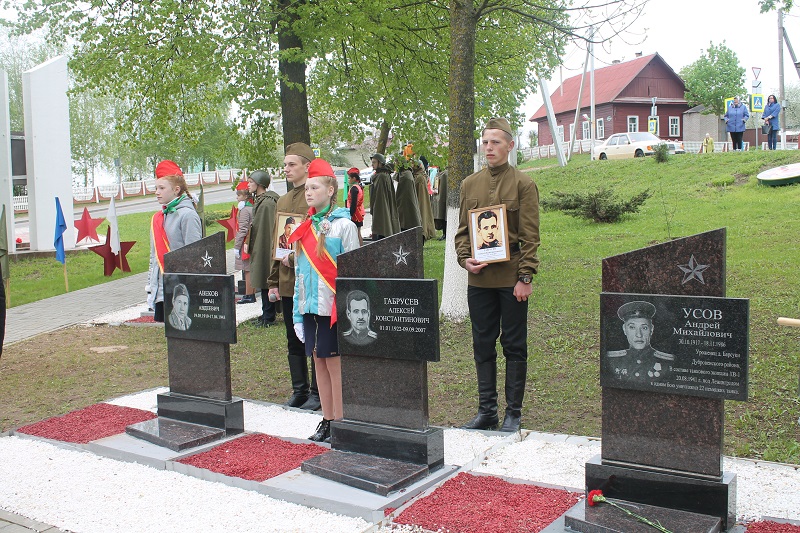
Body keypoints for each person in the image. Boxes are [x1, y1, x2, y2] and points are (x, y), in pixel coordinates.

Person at [455, 117, 540, 433]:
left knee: (515, 344)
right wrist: (465, 260)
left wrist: (526, 277)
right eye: (485, 142)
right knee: (482, 343)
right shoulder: (469, 184)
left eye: (495, 142)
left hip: (511, 279)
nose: (489, 147)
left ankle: (513, 414)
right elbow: (463, 231)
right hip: (479, 280)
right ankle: (486, 411)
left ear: (510, 145)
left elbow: (531, 236)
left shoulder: (523, 184)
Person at [288, 158, 360, 442]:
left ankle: (342, 421)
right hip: (310, 307)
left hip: (333, 308)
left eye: (314, 187)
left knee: (335, 364)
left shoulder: (344, 226)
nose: (308, 192)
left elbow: (354, 274)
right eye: (306, 187)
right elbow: (299, 277)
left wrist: (345, 310)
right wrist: (296, 314)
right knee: (318, 362)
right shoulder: (304, 229)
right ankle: (327, 419)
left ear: (330, 190)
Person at [268, 142, 320, 410]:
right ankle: (299, 389)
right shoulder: (284, 200)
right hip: (289, 280)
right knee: (293, 336)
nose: (286, 169)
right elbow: (277, 244)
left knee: (312, 336)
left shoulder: (317, 195)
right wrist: (273, 281)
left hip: (310, 279)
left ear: (307, 167)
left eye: (292, 164)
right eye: (285, 164)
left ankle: (317, 392)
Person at [147, 160, 203, 322]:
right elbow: (155, 255)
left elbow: (194, 254)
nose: (157, 192)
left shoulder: (187, 215)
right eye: (156, 188)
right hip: (163, 284)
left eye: (162, 188)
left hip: (180, 284)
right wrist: (151, 285)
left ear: (176, 190)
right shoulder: (160, 217)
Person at [605, 301, 674, 383]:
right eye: (632, 327)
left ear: (651, 329)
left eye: (644, 328)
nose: (639, 335)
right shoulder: (612, 360)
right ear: (624, 329)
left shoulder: (667, 362)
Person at [245, 170, 279, 325]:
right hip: (261, 244)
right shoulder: (261, 200)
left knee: (266, 277)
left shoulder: (267, 203)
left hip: (266, 246)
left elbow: (268, 228)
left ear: (259, 184)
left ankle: (269, 315)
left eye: (251, 182)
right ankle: (266, 313)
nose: (248, 185)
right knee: (263, 277)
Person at [234, 181, 256, 304]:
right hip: (252, 241)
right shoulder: (252, 208)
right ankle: (251, 293)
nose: (236, 198)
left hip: (246, 244)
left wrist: (237, 246)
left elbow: (242, 230)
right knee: (250, 269)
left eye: (238, 195)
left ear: (244, 196)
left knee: (247, 269)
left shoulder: (244, 211)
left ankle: (249, 294)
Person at [368, 153, 400, 240]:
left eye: (374, 162)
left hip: (381, 209)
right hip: (380, 208)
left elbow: (380, 198)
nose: (372, 164)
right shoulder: (382, 175)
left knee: (382, 230)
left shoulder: (382, 176)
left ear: (380, 163)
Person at [394, 156, 422, 232]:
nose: (395, 165)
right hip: (401, 204)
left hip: (405, 204)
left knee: (407, 221)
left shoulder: (406, 175)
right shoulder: (402, 174)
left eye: (396, 163)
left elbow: (404, 193)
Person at [412, 158, 436, 240]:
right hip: (417, 203)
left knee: (422, 219)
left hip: (420, 203)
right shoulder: (417, 176)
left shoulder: (420, 178)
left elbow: (421, 196)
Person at [345, 167, 365, 246]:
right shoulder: (358, 187)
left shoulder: (354, 189)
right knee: (358, 233)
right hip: (359, 213)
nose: (348, 180)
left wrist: (350, 214)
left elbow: (353, 203)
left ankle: (359, 250)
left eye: (349, 178)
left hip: (355, 214)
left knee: (356, 234)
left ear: (354, 178)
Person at [431, 167, 448, 240]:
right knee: (444, 216)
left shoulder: (441, 175)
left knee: (443, 215)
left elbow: (435, 189)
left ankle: (445, 234)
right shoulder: (440, 175)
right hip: (444, 199)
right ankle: (445, 233)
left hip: (442, 199)